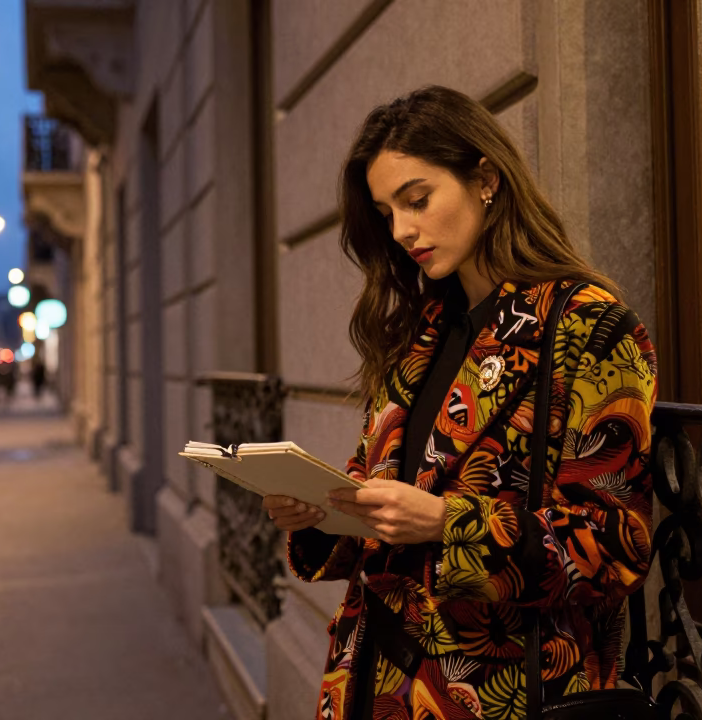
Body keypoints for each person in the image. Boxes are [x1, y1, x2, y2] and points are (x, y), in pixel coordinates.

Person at [262, 86, 658, 720]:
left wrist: (448, 523)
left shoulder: (588, 325)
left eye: (417, 200)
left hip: (499, 691)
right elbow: (386, 496)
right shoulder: (420, 331)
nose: (402, 231)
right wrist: (320, 512)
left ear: (486, 180)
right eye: (388, 212)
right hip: (375, 678)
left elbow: (614, 544)